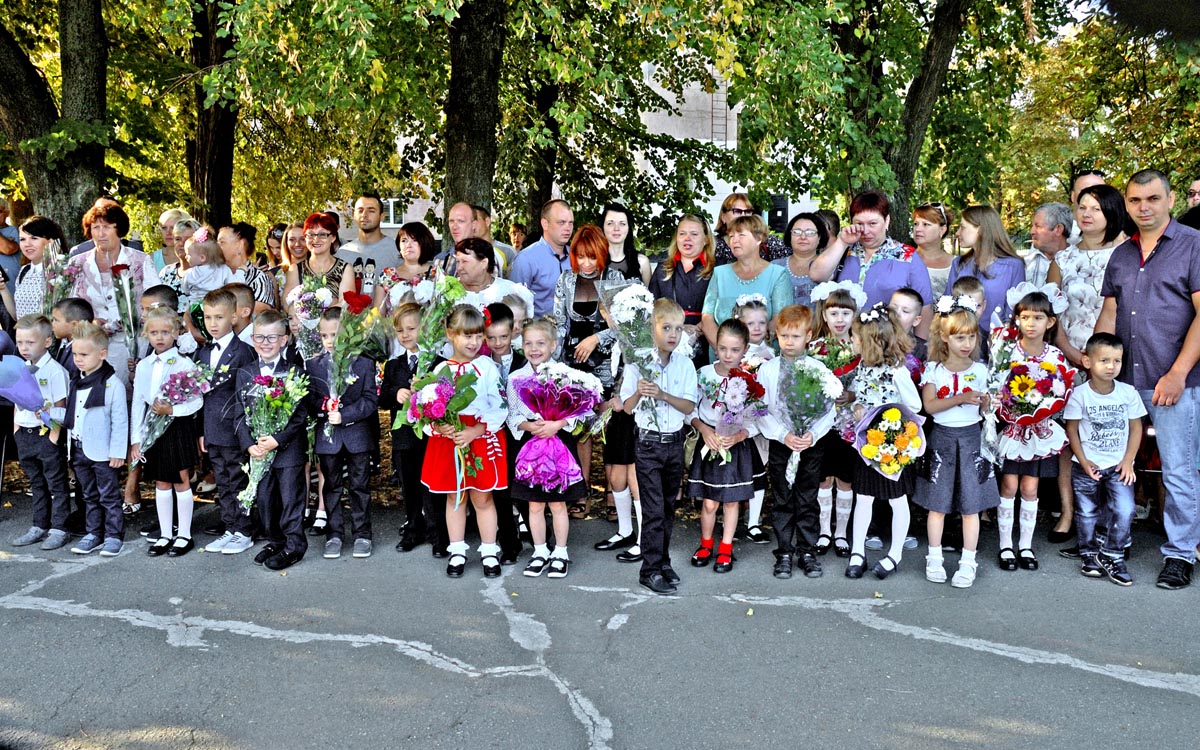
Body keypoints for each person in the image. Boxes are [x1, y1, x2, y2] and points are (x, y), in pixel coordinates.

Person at [1096, 169, 1200, 590]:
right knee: (1111, 463)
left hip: (1174, 382)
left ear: (1170, 200)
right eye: (1136, 200)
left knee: (1178, 471)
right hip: (1122, 381)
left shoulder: (1193, 246)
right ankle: (1108, 542)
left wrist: (1178, 373)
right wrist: (1095, 365)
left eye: (1153, 199)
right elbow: (1110, 313)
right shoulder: (1121, 254)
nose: (1144, 207)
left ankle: (1180, 554)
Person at [1046, 184, 1130, 546]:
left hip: (1113, 358)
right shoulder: (1063, 259)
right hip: (1070, 356)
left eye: (1095, 208)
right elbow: (1052, 310)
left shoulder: (1127, 252)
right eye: (1082, 207)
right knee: (1072, 437)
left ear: (1111, 211)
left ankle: (1112, 519)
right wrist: (1070, 351)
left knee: (1109, 435)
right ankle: (1070, 513)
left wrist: (1101, 357)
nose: (1087, 214)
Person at [914, 296, 998, 588]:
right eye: (959, 337)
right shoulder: (934, 370)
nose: (967, 343)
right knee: (937, 505)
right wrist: (961, 397)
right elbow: (930, 406)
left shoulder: (982, 371)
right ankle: (934, 557)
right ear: (944, 337)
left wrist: (988, 404)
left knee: (971, 506)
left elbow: (985, 412)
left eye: (971, 337)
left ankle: (968, 561)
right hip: (942, 439)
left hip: (972, 439)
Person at [421, 305, 508, 578]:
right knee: (455, 497)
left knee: (483, 498)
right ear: (450, 334)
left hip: (478, 437)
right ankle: (457, 550)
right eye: (467, 336)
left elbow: (500, 405)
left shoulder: (487, 367)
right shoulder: (440, 369)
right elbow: (426, 409)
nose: (474, 342)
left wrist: (477, 430)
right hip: (450, 441)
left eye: (479, 336)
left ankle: (489, 551)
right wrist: (439, 425)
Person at [621, 298, 698, 595]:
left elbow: (689, 405)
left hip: (674, 443)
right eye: (666, 328)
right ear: (651, 328)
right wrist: (640, 393)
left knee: (667, 507)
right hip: (649, 445)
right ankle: (649, 570)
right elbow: (627, 408)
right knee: (653, 510)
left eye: (678, 329)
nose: (673, 334)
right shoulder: (638, 363)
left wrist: (663, 395)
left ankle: (663, 561)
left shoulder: (685, 364)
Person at [995, 289, 1073, 573]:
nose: (1031, 323)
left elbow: (1061, 387)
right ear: (1017, 319)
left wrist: (1046, 405)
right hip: (1012, 428)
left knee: (1030, 488)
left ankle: (1025, 546)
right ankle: (1005, 545)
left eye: (1038, 318)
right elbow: (995, 383)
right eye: (1025, 316)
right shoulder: (1006, 351)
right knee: (1009, 486)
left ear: (1050, 322)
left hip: (1039, 431)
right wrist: (1005, 404)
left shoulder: (1055, 355)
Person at [844, 305, 922, 580]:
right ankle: (857, 551)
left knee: (897, 499)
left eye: (855, 337)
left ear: (870, 342)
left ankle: (895, 553)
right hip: (867, 444)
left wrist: (887, 416)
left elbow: (914, 405)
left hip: (891, 446)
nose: (851, 340)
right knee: (863, 497)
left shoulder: (897, 371)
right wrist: (855, 406)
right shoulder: (863, 367)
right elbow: (860, 395)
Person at [757, 305, 835, 578]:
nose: (789, 342)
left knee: (807, 497)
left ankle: (807, 550)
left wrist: (812, 434)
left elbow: (829, 411)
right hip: (783, 443)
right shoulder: (768, 370)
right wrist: (783, 434)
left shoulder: (818, 369)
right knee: (783, 498)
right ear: (776, 335)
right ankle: (784, 551)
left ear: (808, 336)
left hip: (809, 444)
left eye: (796, 336)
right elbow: (760, 409)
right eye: (784, 336)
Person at [1064, 332, 1146, 586]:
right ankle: (1088, 554)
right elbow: (1072, 430)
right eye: (1104, 360)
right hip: (1086, 465)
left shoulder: (1127, 392)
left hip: (1119, 466)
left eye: (1117, 361)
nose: (1111, 366)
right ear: (1087, 362)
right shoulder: (1080, 394)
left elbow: (1136, 428)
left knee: (1125, 509)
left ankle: (1112, 554)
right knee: (1087, 512)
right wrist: (1083, 460)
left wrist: (1128, 460)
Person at [507, 318, 586, 579]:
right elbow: (512, 414)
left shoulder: (565, 375)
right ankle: (540, 550)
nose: (534, 349)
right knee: (534, 504)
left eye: (540, 343)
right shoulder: (516, 377)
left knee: (558, 504)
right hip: (530, 445)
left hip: (558, 442)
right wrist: (530, 426)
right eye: (528, 343)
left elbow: (580, 411)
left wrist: (557, 424)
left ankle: (560, 552)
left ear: (553, 345)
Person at [236, 310, 311, 571]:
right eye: (259, 337)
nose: (265, 343)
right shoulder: (245, 373)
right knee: (266, 500)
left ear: (284, 339)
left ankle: (294, 545)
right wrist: (249, 445)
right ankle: (276, 540)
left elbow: (300, 415)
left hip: (287, 449)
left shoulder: (294, 372)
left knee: (291, 498)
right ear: (252, 339)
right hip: (259, 450)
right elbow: (238, 414)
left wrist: (277, 440)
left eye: (272, 337)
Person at [809, 189, 934, 339]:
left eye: (872, 223)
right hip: (845, 342)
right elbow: (816, 275)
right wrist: (842, 242)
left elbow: (925, 307)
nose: (866, 231)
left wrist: (921, 347)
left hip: (888, 343)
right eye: (859, 224)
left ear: (886, 221)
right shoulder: (844, 250)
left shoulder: (908, 257)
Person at [687, 319, 760, 573]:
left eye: (735, 350)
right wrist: (703, 429)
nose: (728, 355)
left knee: (731, 501)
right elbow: (690, 409)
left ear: (745, 349)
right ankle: (706, 543)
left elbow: (758, 418)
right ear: (715, 347)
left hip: (734, 444)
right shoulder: (704, 374)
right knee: (709, 502)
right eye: (723, 349)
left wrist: (739, 436)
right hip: (710, 441)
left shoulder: (750, 378)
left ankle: (726, 547)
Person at [130, 306, 203, 557]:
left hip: (176, 428)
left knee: (181, 480)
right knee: (161, 481)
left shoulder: (184, 363)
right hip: (153, 430)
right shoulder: (144, 366)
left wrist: (173, 410)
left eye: (165, 332)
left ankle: (184, 534)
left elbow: (197, 401)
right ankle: (165, 534)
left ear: (175, 333)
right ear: (146, 335)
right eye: (154, 333)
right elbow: (138, 403)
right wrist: (136, 439)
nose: (159, 337)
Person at [65, 200, 162, 387]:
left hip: (132, 347)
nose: (101, 233)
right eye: (96, 227)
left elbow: (156, 304)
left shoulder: (139, 260)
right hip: (92, 346)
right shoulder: (77, 263)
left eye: (107, 227)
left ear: (119, 229)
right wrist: (89, 322)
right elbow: (70, 305)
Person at [307, 307, 379, 560]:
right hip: (329, 439)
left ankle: (362, 534)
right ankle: (334, 534)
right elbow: (309, 399)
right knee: (331, 486)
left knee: (359, 486)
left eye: (335, 335)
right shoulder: (313, 365)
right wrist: (324, 405)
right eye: (324, 335)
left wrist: (345, 414)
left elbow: (370, 400)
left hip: (357, 436)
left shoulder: (364, 363)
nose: (329, 341)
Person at [197, 289, 258, 555]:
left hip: (234, 429)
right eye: (208, 317)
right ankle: (230, 527)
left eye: (219, 317)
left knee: (238, 479)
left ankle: (244, 529)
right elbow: (199, 396)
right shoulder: (202, 353)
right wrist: (201, 431)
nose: (213, 323)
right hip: (212, 428)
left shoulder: (243, 352)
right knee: (222, 480)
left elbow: (248, 394)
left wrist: (246, 432)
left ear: (233, 317)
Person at [381, 303, 445, 554]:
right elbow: (382, 397)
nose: (405, 335)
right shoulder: (393, 365)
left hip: (431, 437)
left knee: (433, 486)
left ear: (425, 329)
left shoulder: (438, 363)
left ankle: (438, 532)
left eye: (411, 329)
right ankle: (413, 527)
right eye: (400, 331)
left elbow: (446, 394)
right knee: (408, 484)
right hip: (404, 437)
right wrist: (396, 393)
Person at [808, 281, 865, 556]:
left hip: (849, 424)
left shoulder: (860, 349)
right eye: (833, 313)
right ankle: (823, 531)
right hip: (822, 424)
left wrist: (852, 395)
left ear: (854, 315)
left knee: (844, 478)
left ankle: (841, 533)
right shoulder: (814, 348)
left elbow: (868, 384)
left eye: (845, 313)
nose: (839, 319)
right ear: (824, 315)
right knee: (823, 478)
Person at [66, 323, 129, 557]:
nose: (78, 359)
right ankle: (93, 533)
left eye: (84, 354)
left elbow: (120, 421)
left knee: (109, 496)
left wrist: (118, 452)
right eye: (75, 354)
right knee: (88, 495)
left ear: (102, 354)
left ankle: (113, 535)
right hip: (79, 448)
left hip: (102, 452)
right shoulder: (76, 381)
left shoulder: (112, 385)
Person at [9, 314, 71, 550]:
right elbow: (16, 402)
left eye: (30, 342)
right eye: (20, 342)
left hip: (46, 435)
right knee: (36, 483)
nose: (24, 348)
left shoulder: (55, 371)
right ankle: (39, 525)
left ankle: (60, 528)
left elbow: (61, 407)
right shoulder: (20, 368)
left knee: (56, 483)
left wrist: (53, 439)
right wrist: (17, 430)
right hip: (24, 434)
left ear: (47, 341)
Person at [700, 214, 791, 350]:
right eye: (731, 236)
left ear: (758, 239)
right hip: (723, 356)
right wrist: (724, 349)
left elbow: (780, 318)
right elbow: (707, 317)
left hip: (763, 355)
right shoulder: (719, 273)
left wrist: (752, 354)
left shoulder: (778, 274)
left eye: (741, 235)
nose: (734, 240)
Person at [732, 294, 773, 543]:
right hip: (736, 422)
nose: (756, 328)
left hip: (760, 422)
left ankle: (754, 523)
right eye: (750, 323)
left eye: (761, 322)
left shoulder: (771, 355)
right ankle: (733, 520)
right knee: (736, 472)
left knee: (757, 472)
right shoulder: (735, 354)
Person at [649, 215, 715, 368]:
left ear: (706, 239)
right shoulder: (662, 269)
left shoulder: (717, 269)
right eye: (682, 233)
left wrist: (699, 328)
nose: (687, 238)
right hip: (669, 343)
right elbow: (651, 309)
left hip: (706, 343)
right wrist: (678, 327)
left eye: (694, 234)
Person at [946, 205, 1026, 329]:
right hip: (961, 336)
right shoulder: (959, 263)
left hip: (998, 338)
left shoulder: (1013, 266)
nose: (957, 233)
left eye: (962, 227)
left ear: (980, 229)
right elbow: (947, 305)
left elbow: (1015, 312)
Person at [510, 199, 573, 317]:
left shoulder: (577, 257)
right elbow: (514, 305)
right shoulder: (526, 259)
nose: (568, 228)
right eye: (561, 222)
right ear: (545, 224)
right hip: (538, 327)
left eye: (570, 223)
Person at [281, 213, 355, 308]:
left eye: (322, 235)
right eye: (311, 234)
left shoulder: (345, 269)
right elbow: (287, 304)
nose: (315, 240)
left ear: (333, 237)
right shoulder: (295, 269)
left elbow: (346, 304)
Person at [455, 237, 535, 313]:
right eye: (458, 262)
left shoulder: (510, 292)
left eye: (465, 261)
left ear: (484, 263)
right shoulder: (448, 291)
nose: (459, 267)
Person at [341, 194, 399, 298]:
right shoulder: (343, 253)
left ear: (382, 216)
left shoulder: (397, 251)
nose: (364, 215)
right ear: (354, 215)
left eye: (371, 211)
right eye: (360, 210)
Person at [375, 221, 438, 314]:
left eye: (414, 240)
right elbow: (377, 316)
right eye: (404, 240)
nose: (408, 245)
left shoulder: (437, 274)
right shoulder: (386, 275)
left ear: (425, 243)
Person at [10, 216, 66, 320]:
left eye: (34, 238)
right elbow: (17, 315)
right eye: (22, 239)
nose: (27, 244)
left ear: (50, 241)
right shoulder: (24, 271)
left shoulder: (63, 270)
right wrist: (3, 289)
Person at [712, 193, 789, 264]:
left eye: (747, 211)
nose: (743, 215)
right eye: (737, 211)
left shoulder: (767, 241)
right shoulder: (713, 245)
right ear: (723, 217)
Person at [771, 212, 828, 308]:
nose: (803, 237)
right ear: (790, 236)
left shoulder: (828, 266)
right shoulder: (775, 267)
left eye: (810, 233)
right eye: (797, 232)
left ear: (819, 237)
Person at [219, 222, 277, 311]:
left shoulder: (259, 280)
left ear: (240, 245)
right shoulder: (213, 275)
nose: (216, 246)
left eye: (222, 242)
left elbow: (258, 314)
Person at [179, 226, 236, 307]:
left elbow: (185, 290)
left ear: (202, 258)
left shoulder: (189, 273)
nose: (186, 257)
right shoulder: (224, 269)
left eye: (188, 254)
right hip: (217, 306)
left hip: (196, 307)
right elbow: (232, 286)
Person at [911, 202, 956, 301]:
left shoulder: (957, 265)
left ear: (942, 229)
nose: (918, 229)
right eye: (916, 224)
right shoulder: (902, 260)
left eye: (926, 224)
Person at [601, 202, 651, 285]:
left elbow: (649, 293)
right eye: (610, 223)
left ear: (628, 228)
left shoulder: (642, 262)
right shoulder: (593, 262)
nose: (616, 228)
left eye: (622, 223)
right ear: (602, 227)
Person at [1026, 202, 1073, 286]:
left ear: (1058, 229)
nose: (1032, 231)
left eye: (1038, 226)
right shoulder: (1027, 263)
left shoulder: (1077, 262)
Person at [52, 297, 93, 379]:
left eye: (56, 320)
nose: (52, 324)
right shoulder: (60, 341)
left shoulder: (83, 352)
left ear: (74, 325)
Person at [153, 208, 192, 272]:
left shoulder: (196, 258)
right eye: (164, 228)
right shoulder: (152, 259)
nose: (168, 232)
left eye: (173, 228)